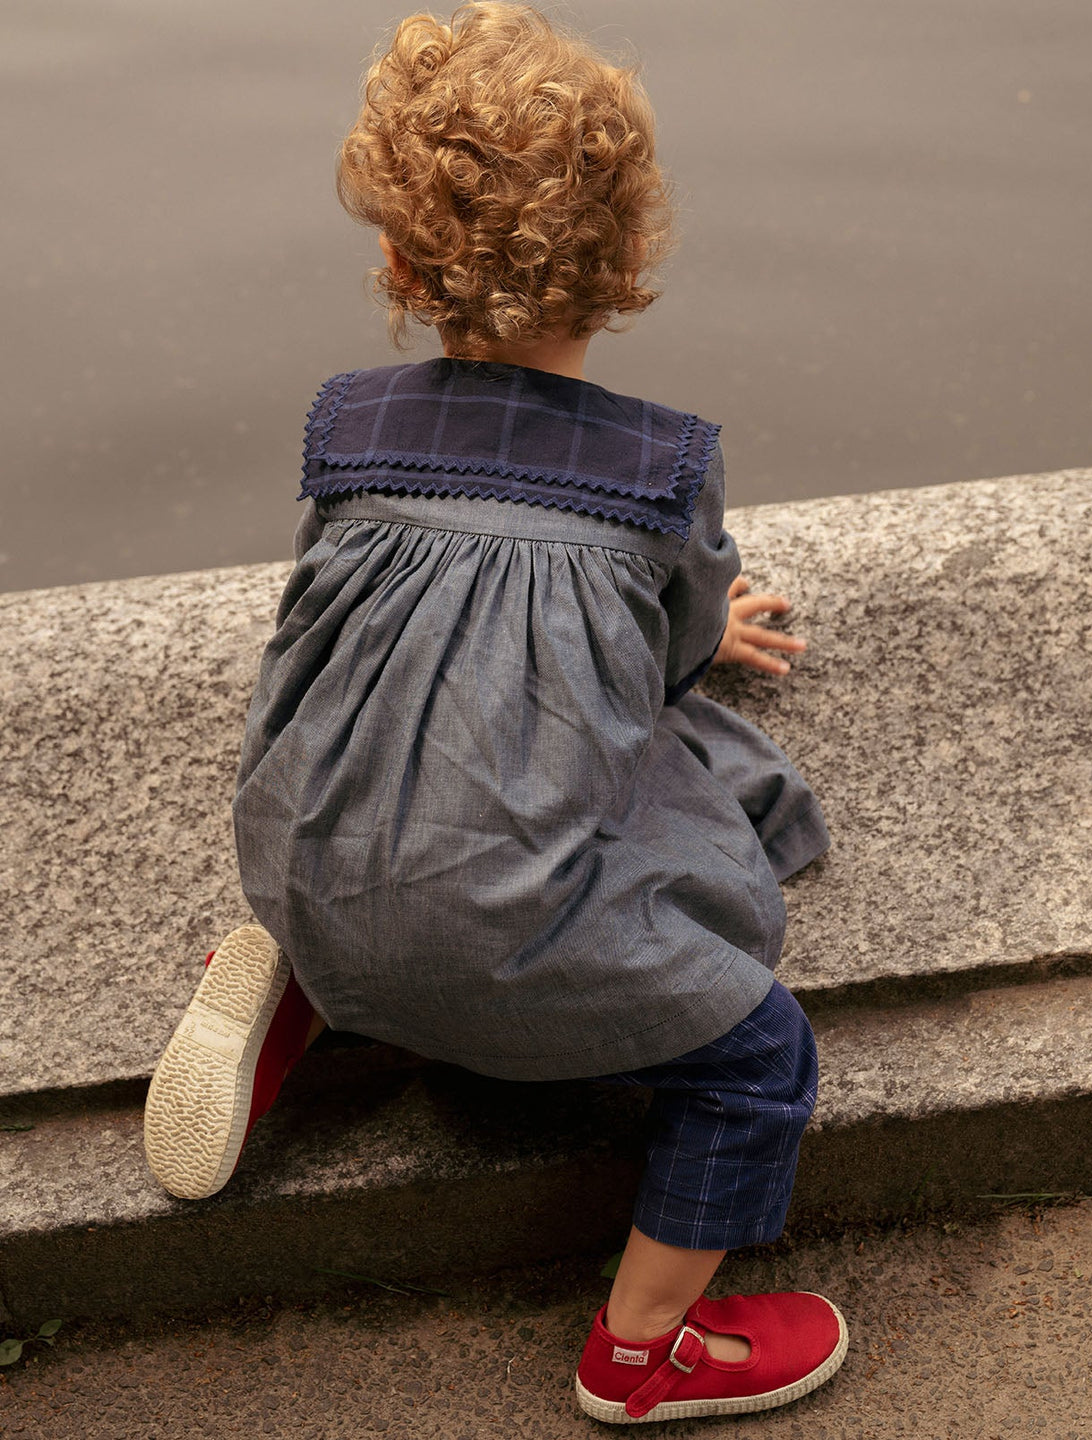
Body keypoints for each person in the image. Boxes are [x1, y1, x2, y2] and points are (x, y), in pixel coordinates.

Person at [143, 2, 847, 1422]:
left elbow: (336, 635)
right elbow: (653, 656)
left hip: (315, 855)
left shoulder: (349, 432)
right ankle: (643, 1352)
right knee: (764, 1055)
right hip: (511, 946)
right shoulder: (661, 475)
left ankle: (315, 985)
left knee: (398, 846)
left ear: (400, 263)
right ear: (635, 258)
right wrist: (713, 621)